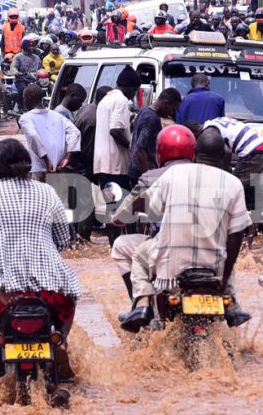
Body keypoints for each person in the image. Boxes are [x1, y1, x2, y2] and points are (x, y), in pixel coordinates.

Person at [0, 139, 81, 387]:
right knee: (71, 292)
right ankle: (61, 342)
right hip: (48, 289)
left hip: (3, 292)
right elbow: (64, 239)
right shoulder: (47, 191)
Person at [117, 126, 252, 332]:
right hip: (213, 270)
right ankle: (230, 302)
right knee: (226, 256)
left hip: (170, 270)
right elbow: (236, 235)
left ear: (195, 154)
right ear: (225, 157)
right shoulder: (234, 184)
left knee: (139, 256)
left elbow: (145, 207)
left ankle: (143, 304)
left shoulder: (173, 175)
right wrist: (224, 280)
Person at [18, 84, 81, 183]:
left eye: (24, 98)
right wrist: (67, 158)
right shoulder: (58, 116)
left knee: (39, 198)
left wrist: (46, 161)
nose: (24, 102)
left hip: (39, 169)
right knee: (57, 197)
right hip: (59, 168)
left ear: (28, 98)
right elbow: (75, 133)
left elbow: (33, 136)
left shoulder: (25, 118)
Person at [95, 66, 141, 197]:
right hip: (115, 166)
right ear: (130, 87)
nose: (134, 94)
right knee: (121, 210)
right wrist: (131, 147)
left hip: (103, 164)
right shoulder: (121, 100)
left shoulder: (106, 99)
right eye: (135, 90)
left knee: (113, 209)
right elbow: (114, 130)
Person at [129, 88, 182, 182]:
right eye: (173, 108)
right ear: (166, 103)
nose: (172, 113)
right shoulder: (152, 119)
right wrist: (147, 177)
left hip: (135, 170)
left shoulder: (143, 111)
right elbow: (141, 149)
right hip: (142, 174)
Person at [73, 86, 111, 179]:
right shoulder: (95, 118)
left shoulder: (87, 108)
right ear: (101, 99)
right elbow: (88, 151)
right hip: (83, 168)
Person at [8, 38, 42, 108]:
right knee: (23, 90)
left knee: (44, 88)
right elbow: (13, 67)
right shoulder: (18, 57)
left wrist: (44, 72)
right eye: (29, 46)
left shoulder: (37, 58)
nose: (32, 47)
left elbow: (40, 68)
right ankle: (21, 106)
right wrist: (17, 72)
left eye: (33, 46)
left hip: (34, 79)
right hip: (22, 79)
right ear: (24, 47)